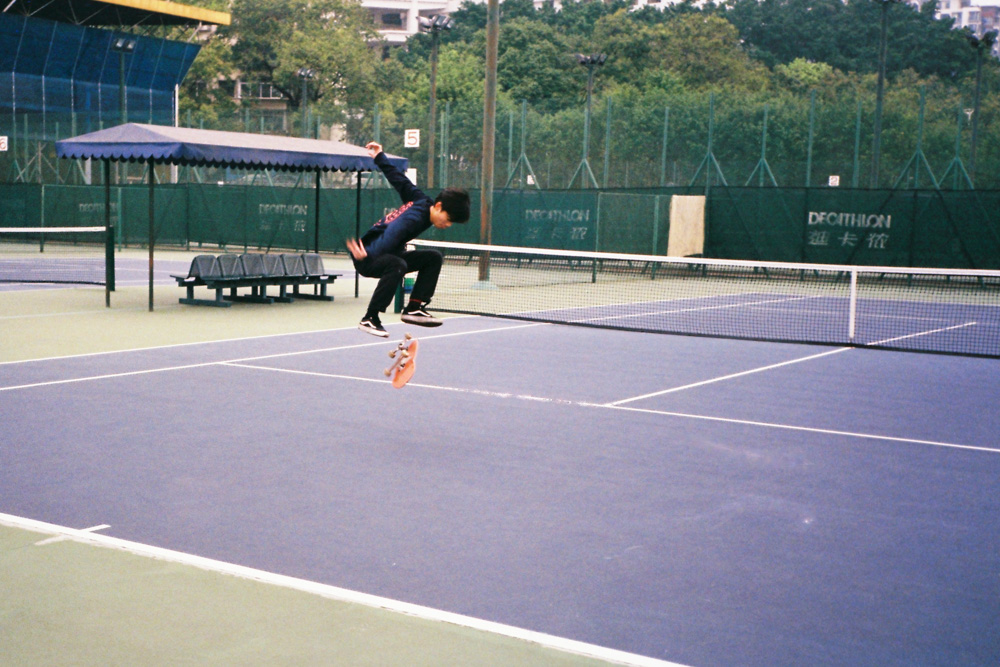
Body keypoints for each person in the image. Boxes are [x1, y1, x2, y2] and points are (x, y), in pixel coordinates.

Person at [346, 142, 470, 337]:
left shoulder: (421, 200)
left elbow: (399, 180)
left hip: (383, 252)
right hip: (368, 257)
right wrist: (368, 254)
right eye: (448, 219)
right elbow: (391, 234)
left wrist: (379, 157)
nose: (447, 225)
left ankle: (414, 307)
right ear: (438, 207)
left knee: (433, 258)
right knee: (398, 264)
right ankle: (370, 318)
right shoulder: (414, 219)